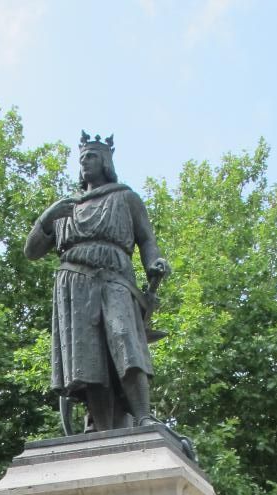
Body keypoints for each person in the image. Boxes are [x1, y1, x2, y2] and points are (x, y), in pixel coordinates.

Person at [24, 132, 169, 434]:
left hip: (114, 278)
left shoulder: (125, 197)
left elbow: (146, 240)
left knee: (124, 340)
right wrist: (47, 218)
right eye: (82, 158)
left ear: (105, 161)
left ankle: (143, 416)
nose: (85, 162)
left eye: (91, 156)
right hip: (73, 284)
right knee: (87, 359)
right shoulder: (65, 207)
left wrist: (154, 263)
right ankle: (101, 428)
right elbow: (32, 251)